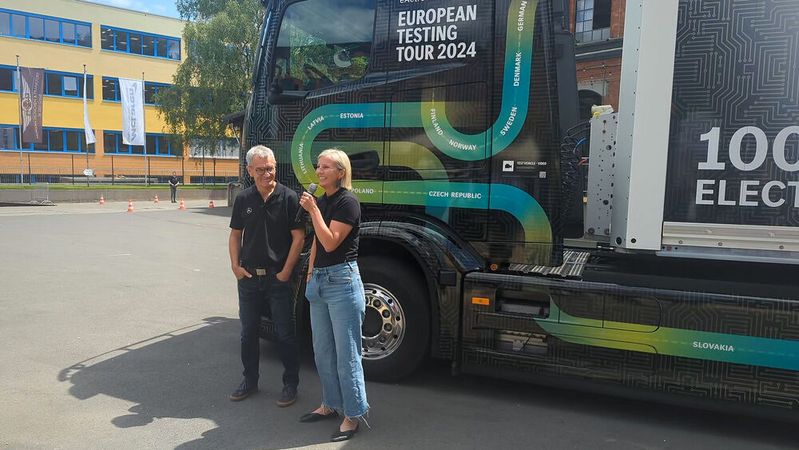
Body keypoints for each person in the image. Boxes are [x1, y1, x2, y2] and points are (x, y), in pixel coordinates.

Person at [297, 148, 369, 442]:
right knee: (323, 351)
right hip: (320, 280)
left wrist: (313, 210)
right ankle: (330, 404)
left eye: (326, 167)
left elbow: (331, 242)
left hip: (342, 282)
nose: (319, 171)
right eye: (318, 166)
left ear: (341, 172)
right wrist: (310, 274)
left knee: (347, 355)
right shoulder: (324, 201)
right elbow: (316, 243)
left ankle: (352, 415)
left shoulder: (347, 202)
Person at [228, 145, 305, 407]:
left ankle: (290, 384)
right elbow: (235, 235)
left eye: (270, 168)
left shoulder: (289, 197)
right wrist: (235, 267)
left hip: (278, 278)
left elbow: (299, 238)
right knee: (248, 333)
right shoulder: (243, 199)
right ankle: (249, 380)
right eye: (260, 170)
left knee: (285, 333)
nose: (266, 174)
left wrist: (286, 272)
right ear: (249, 170)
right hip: (248, 278)